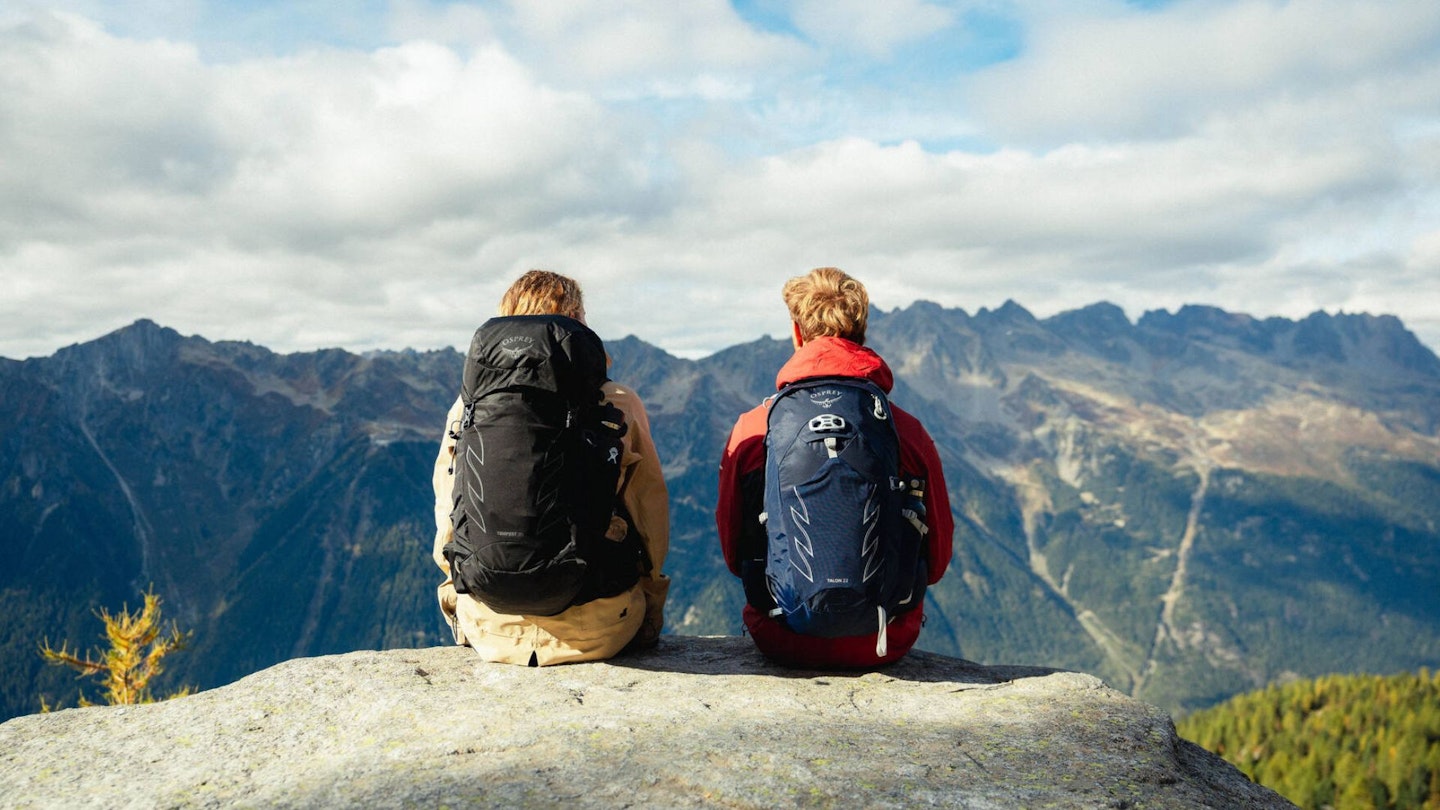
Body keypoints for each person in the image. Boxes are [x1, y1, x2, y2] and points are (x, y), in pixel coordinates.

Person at [716, 267, 953, 667]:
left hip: (781, 635)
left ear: (796, 333)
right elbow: (937, 558)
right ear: (861, 332)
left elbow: (733, 551)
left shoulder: (755, 427)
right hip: (883, 639)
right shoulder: (905, 431)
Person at [432, 270, 670, 665]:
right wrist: (650, 608)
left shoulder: (467, 409)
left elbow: (450, 513)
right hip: (598, 629)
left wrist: (454, 596)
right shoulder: (616, 403)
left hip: (490, 627)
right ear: (575, 323)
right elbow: (649, 517)